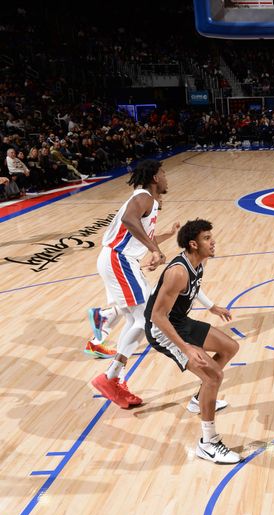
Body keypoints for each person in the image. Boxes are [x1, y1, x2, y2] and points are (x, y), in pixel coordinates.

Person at [145, 219, 241, 464]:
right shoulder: (177, 272)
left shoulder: (197, 261)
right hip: (162, 330)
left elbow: (194, 287)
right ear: (193, 244)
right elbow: (157, 316)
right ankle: (208, 443)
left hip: (179, 321)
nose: (213, 241)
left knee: (230, 347)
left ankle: (199, 400)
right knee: (213, 376)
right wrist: (185, 347)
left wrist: (212, 307)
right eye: (207, 238)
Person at [89, 160, 177, 405]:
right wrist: (153, 250)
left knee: (134, 319)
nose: (166, 177)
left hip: (119, 260)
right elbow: (129, 219)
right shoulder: (145, 197)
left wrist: (157, 249)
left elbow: (142, 236)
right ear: (155, 178)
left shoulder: (150, 202)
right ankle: (111, 377)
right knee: (148, 317)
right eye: (164, 173)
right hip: (119, 259)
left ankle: (115, 378)